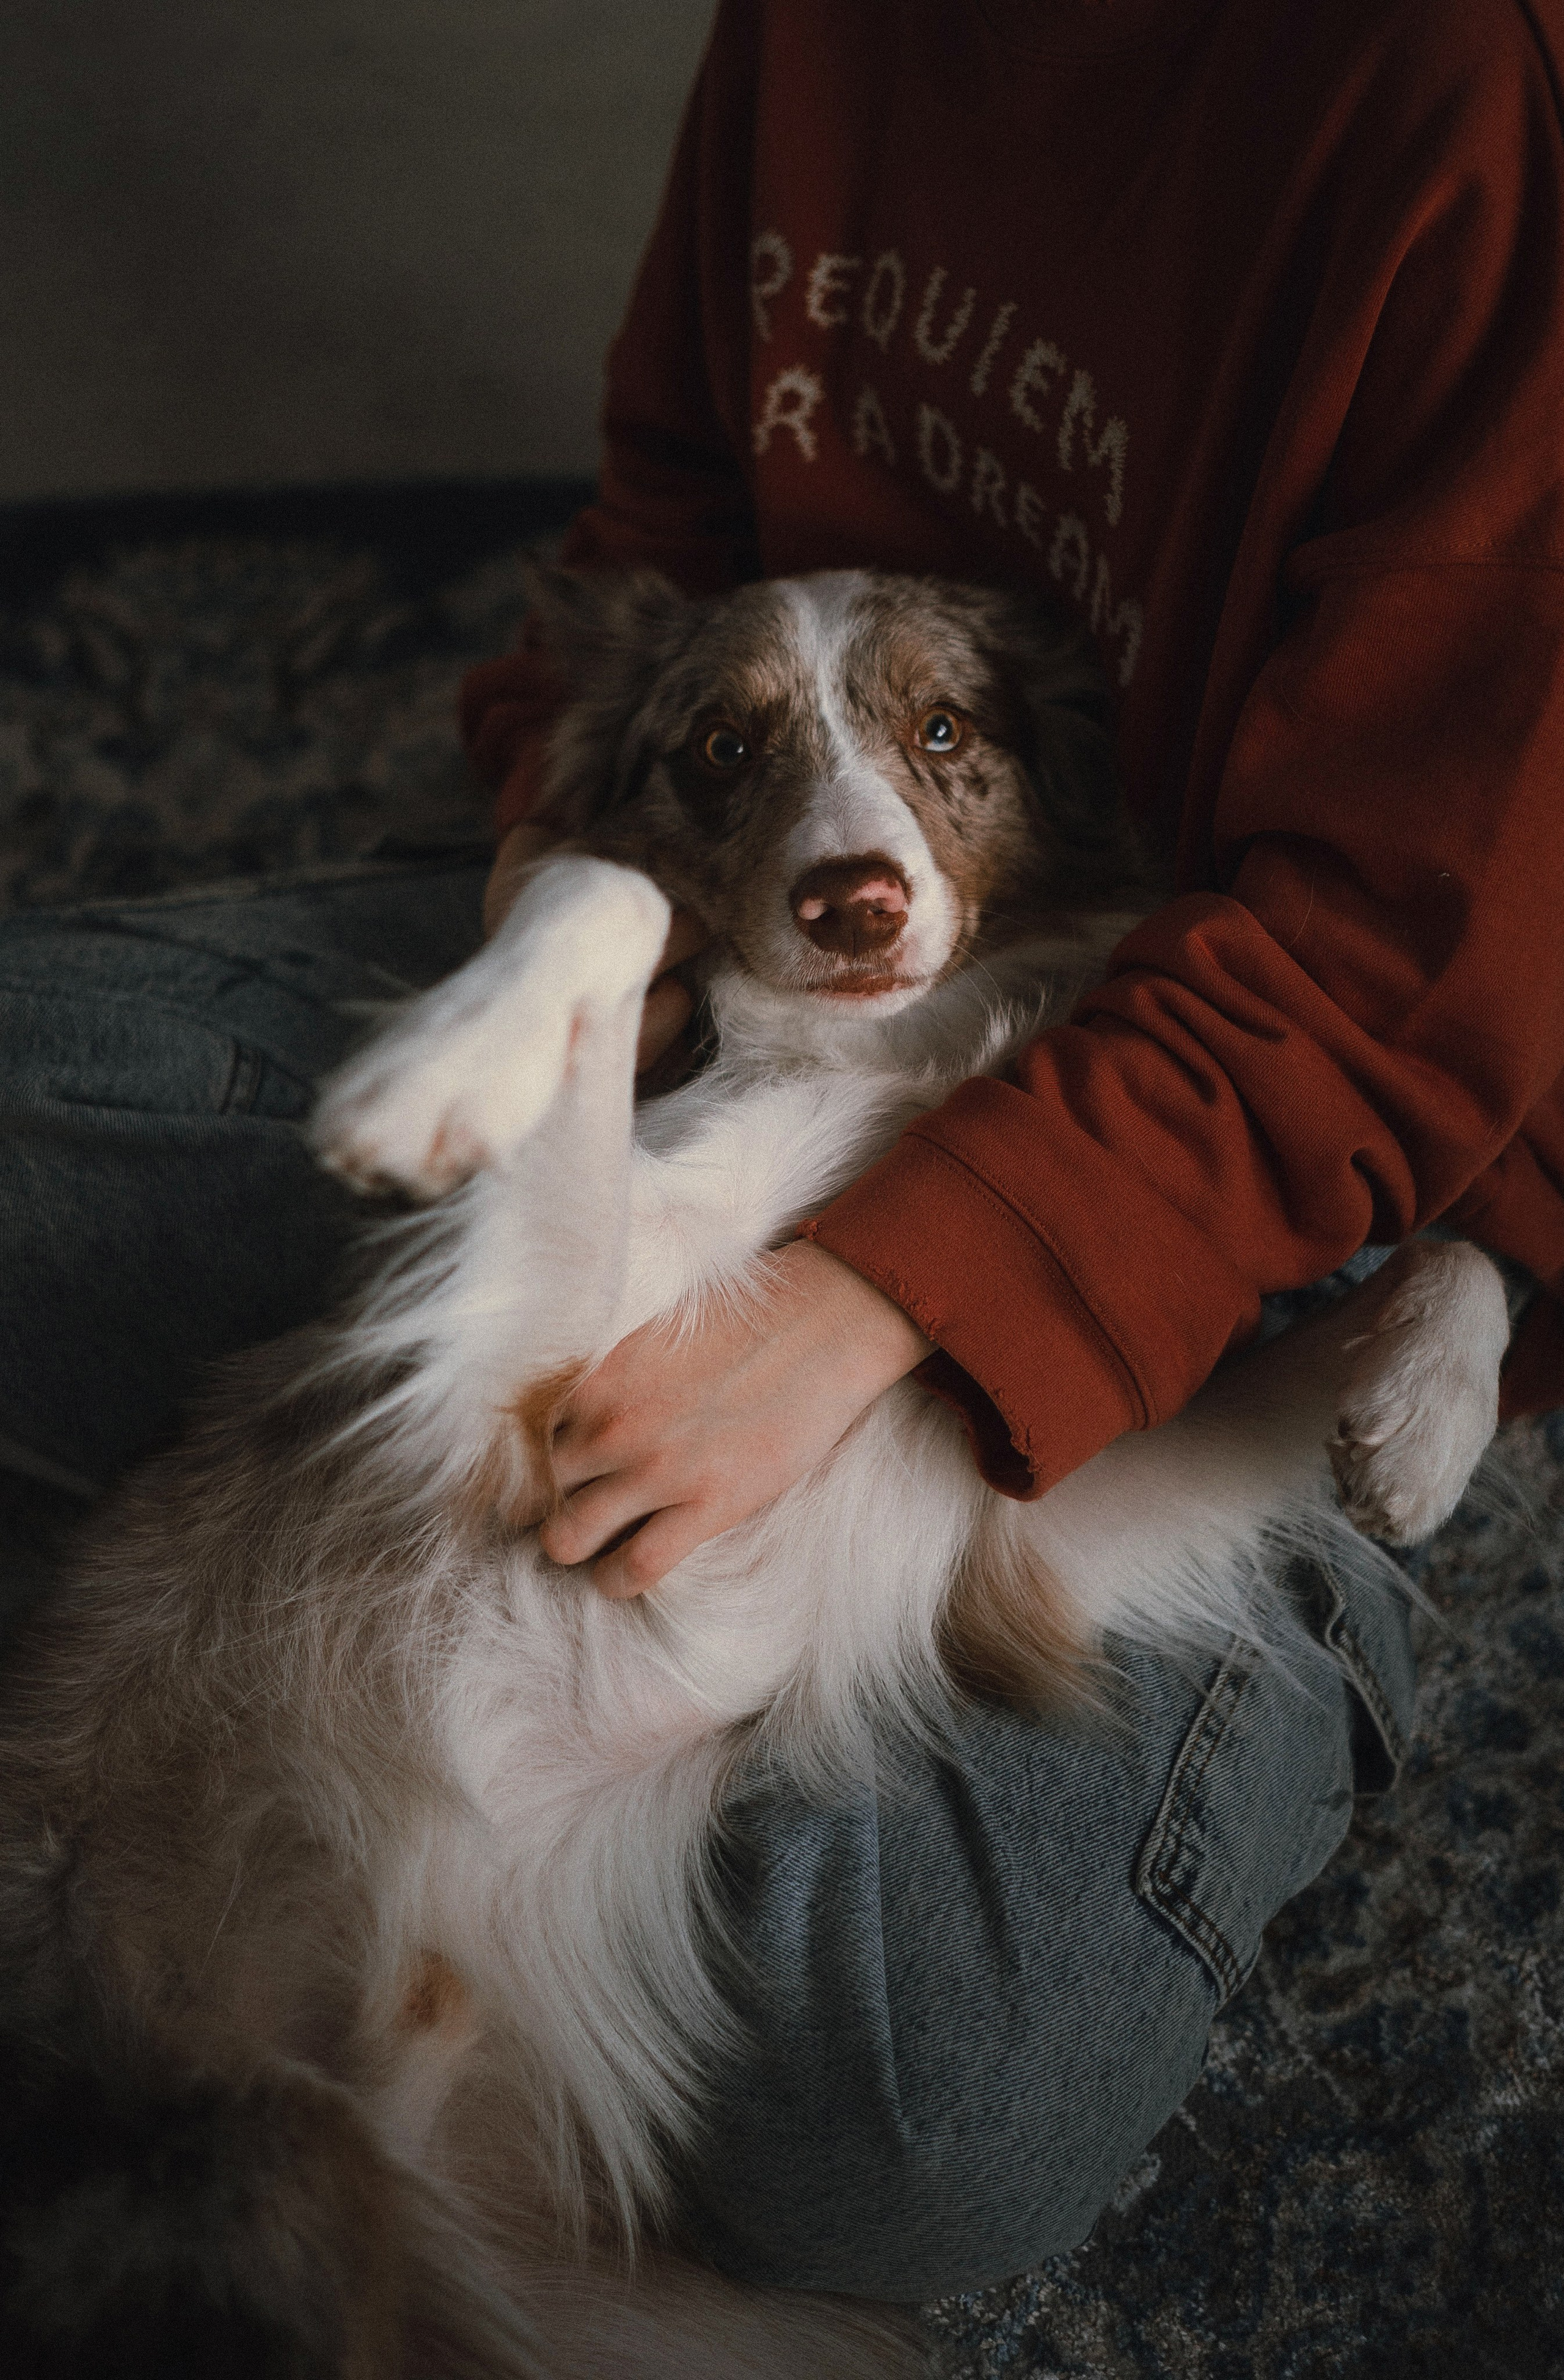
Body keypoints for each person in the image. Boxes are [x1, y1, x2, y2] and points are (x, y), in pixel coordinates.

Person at [2, 0, 1561, 2304]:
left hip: (1259, 1189)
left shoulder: (1456, 106)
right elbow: (660, 549)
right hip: (719, 1000)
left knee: (895, 2122)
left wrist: (876, 1303)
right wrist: (576, 918)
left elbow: (1418, 959)